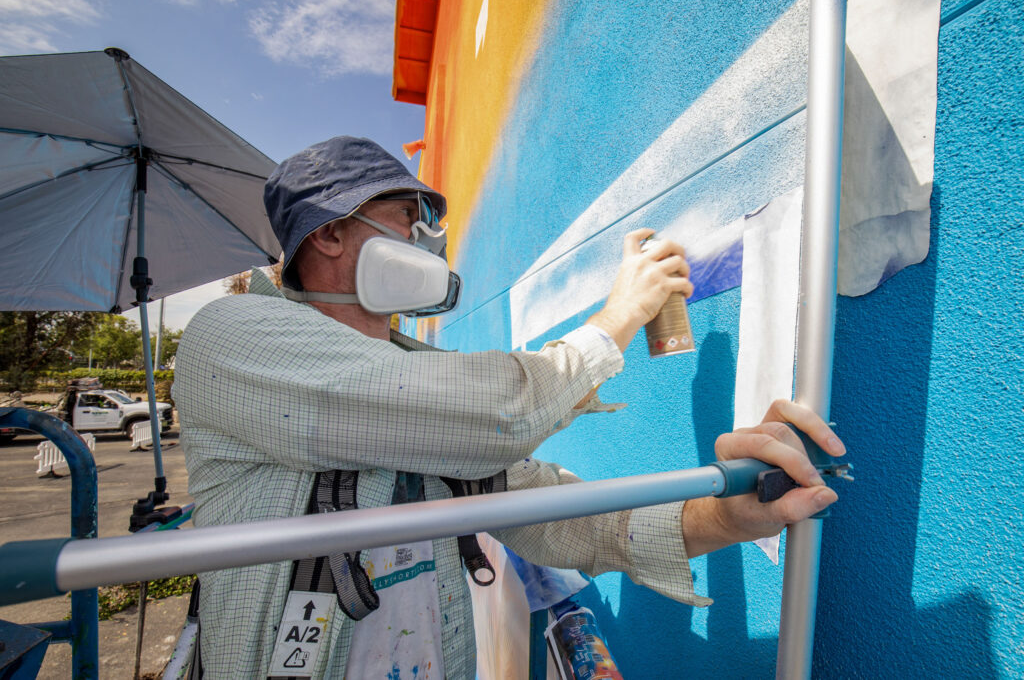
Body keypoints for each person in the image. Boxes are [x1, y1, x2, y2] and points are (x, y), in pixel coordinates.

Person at [174, 136, 845, 679]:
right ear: (328, 235)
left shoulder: (422, 380)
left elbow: (580, 523)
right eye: (409, 221)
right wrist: (617, 319)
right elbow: (497, 413)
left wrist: (729, 512)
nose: (426, 243)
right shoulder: (231, 336)